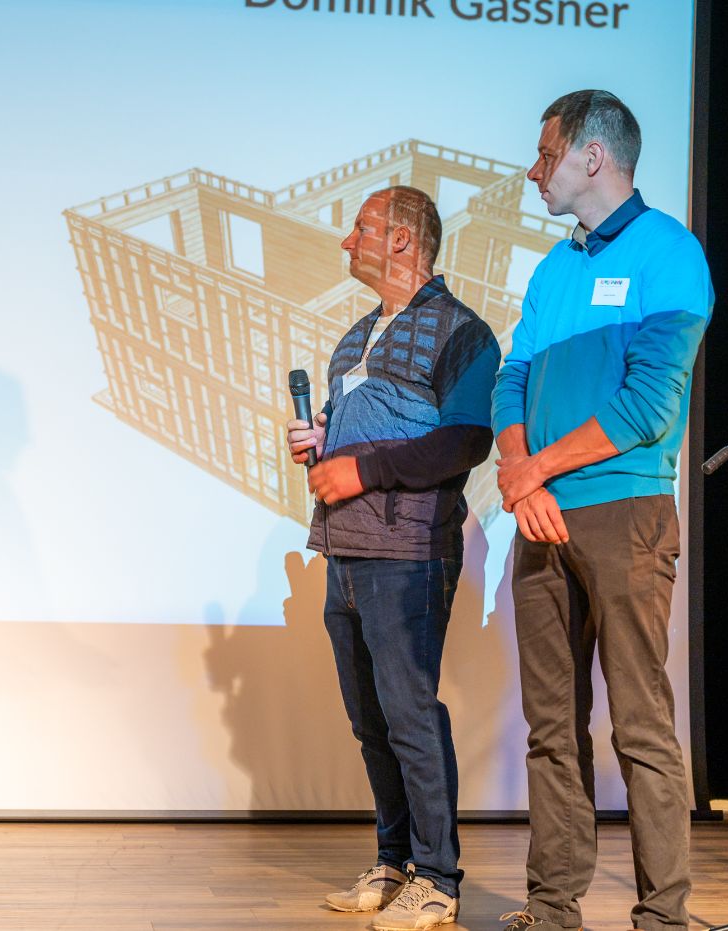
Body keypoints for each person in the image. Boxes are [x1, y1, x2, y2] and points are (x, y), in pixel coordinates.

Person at [492, 90, 713, 931]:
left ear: (593, 156)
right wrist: (523, 479)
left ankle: (662, 915)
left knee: (640, 725)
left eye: (546, 154)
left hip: (624, 514)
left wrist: (534, 471)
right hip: (540, 517)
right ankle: (552, 907)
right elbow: (512, 379)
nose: (533, 170)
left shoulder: (670, 252)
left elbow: (648, 406)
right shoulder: (555, 268)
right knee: (550, 729)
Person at [287, 186, 500, 931]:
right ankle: (394, 860)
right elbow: (368, 429)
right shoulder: (354, 337)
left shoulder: (462, 332)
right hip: (343, 549)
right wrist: (323, 442)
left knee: (410, 713)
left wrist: (363, 468)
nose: (348, 241)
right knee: (370, 721)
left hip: (407, 552)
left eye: (362, 228)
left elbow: (467, 439)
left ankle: (437, 879)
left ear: (403, 240)